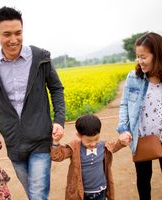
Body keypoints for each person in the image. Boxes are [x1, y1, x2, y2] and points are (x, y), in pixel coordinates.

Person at [0, 6, 65, 200]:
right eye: (7, 34)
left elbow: (57, 89)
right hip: (14, 142)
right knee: (34, 194)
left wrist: (59, 120)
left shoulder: (40, 57)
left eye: (18, 33)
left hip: (41, 138)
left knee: (37, 194)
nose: (13, 40)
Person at [117, 32, 162, 200]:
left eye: (143, 57)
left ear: (156, 54)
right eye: (137, 57)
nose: (139, 61)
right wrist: (123, 129)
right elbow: (124, 105)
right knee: (143, 181)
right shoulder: (133, 77)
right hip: (142, 137)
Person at [51, 114, 131, 200]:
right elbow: (58, 156)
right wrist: (55, 142)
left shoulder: (102, 146)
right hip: (81, 194)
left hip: (100, 191)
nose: (93, 144)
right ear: (79, 135)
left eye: (96, 139)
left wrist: (122, 142)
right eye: (88, 141)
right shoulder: (74, 147)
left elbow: (114, 146)